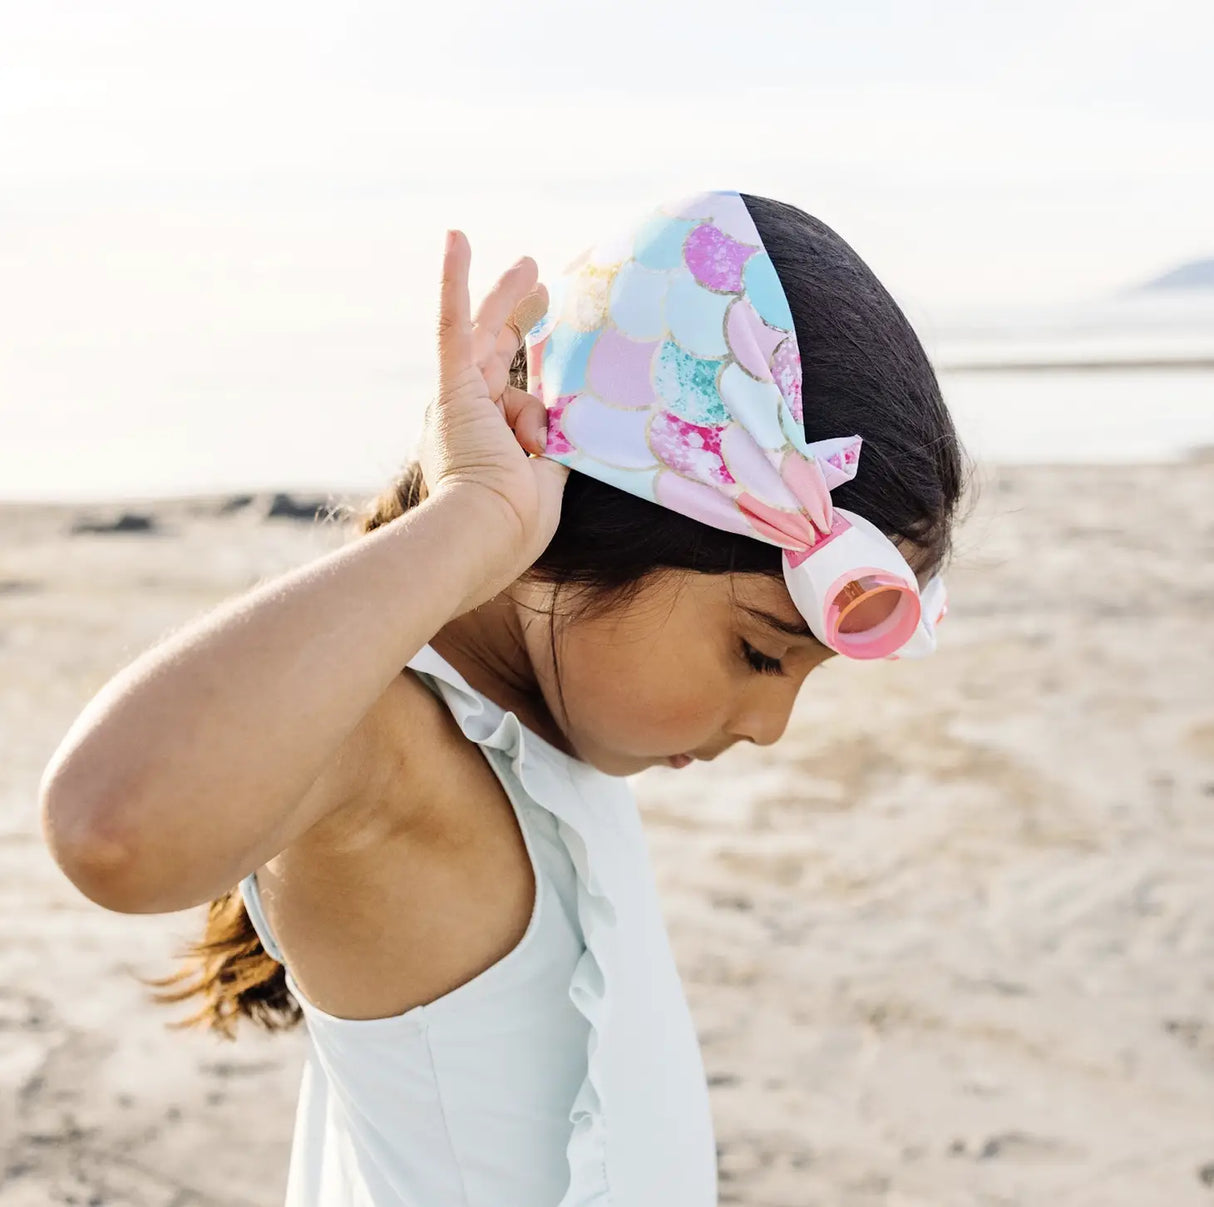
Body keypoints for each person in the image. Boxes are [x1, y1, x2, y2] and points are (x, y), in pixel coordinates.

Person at [39, 188, 971, 1206]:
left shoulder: (546, 737)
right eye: (758, 653)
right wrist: (469, 519)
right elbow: (112, 827)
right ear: (602, 529)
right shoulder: (398, 750)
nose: (768, 724)